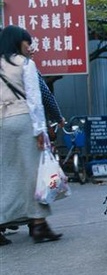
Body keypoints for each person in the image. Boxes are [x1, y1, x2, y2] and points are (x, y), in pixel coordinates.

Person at [0, 25, 63, 245]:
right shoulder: (25, 64)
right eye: (27, 42)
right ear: (18, 42)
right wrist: (40, 131)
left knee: (6, 176)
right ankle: (38, 225)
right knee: (35, 175)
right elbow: (35, 101)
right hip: (24, 120)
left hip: (2, 123)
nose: (30, 46)